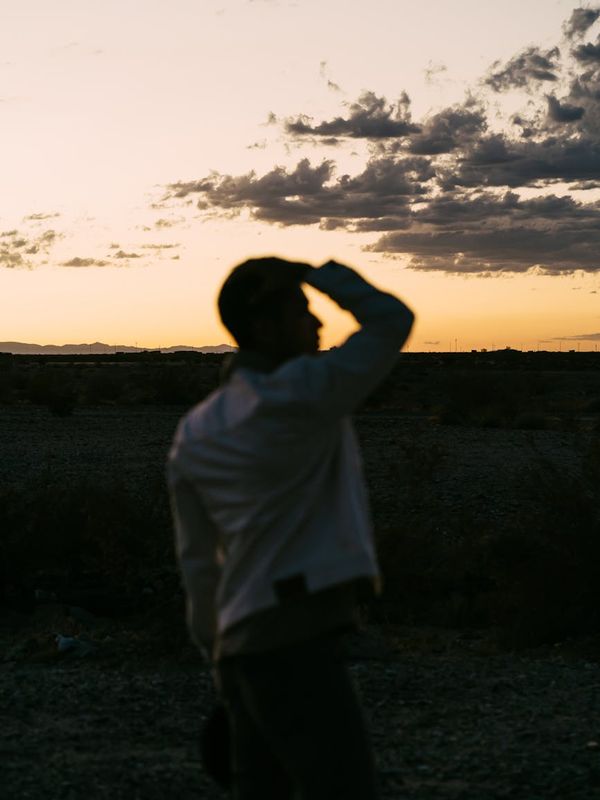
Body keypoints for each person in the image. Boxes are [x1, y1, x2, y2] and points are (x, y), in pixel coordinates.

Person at [167, 256, 414, 799]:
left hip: (239, 648)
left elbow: (199, 564)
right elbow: (391, 319)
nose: (319, 323)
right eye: (303, 311)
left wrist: (217, 656)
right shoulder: (306, 391)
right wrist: (316, 271)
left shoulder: (195, 430)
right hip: (295, 641)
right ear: (265, 328)